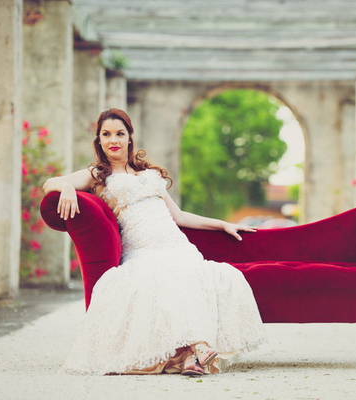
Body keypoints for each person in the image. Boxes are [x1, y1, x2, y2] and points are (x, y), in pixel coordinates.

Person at [43, 108, 266, 376]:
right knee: (161, 276)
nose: (113, 139)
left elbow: (180, 216)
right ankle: (199, 346)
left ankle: (188, 359)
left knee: (195, 272)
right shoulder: (97, 174)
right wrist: (67, 187)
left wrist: (222, 224)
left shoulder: (150, 174)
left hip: (176, 245)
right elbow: (50, 183)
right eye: (106, 134)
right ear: (99, 141)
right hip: (143, 250)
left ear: (129, 138)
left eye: (119, 133)